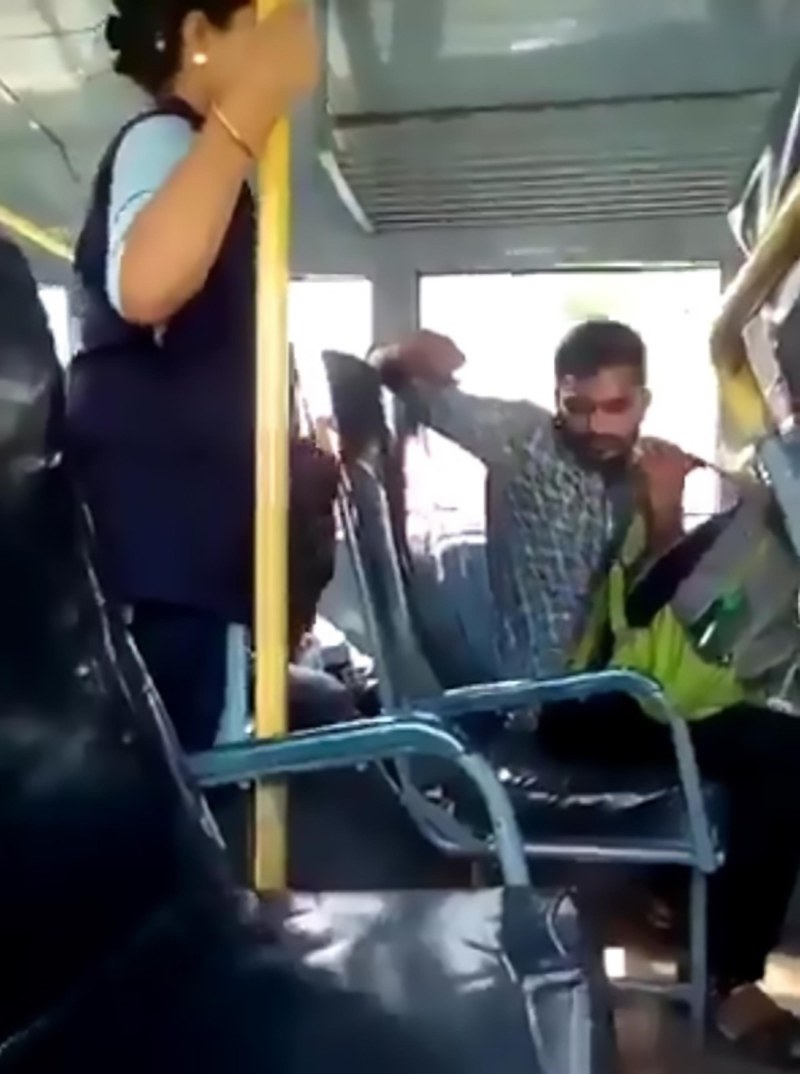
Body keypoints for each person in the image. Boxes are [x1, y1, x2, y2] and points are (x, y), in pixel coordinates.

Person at [373, 323, 800, 1064]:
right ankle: (729, 976)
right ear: (557, 399)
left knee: (757, 721)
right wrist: (406, 356)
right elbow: (399, 377)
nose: (597, 426)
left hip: (608, 688)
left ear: (643, 401)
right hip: (559, 701)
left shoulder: (637, 471)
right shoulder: (523, 439)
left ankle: (677, 899)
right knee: (779, 752)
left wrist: (663, 513)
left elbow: (638, 612)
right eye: (579, 407)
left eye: (615, 407)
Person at [66, 0, 322, 753]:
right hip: (161, 560)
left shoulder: (197, 157)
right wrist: (250, 110)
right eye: (262, 22)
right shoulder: (166, 139)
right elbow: (146, 285)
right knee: (179, 789)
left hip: (181, 557)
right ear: (199, 36)